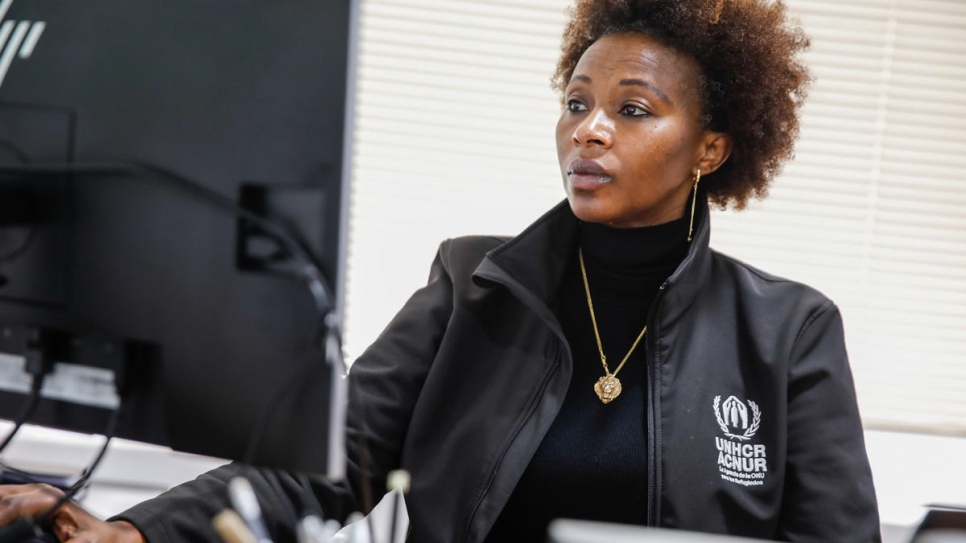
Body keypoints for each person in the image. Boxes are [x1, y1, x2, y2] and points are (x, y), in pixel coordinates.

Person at [0, 0, 881, 541]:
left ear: (712, 147)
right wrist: (140, 530)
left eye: (633, 110)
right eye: (576, 102)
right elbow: (325, 464)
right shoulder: (473, 286)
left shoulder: (789, 333)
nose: (590, 129)